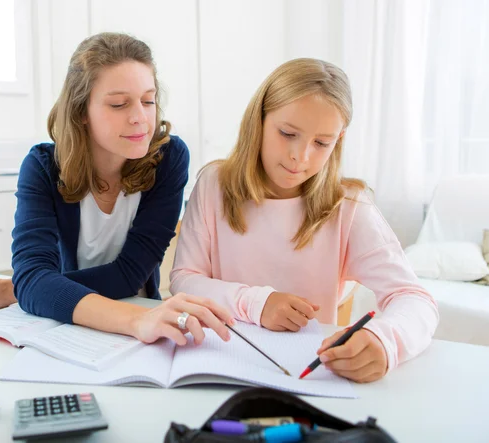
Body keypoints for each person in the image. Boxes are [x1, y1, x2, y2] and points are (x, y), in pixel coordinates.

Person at [0, 33, 234, 346]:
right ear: (81, 111)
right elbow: (33, 277)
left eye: (148, 100)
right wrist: (32, 286)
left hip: (139, 321)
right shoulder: (43, 167)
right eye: (118, 104)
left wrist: (15, 290)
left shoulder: (169, 158)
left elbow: (128, 275)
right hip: (72, 327)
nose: (140, 117)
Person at [169, 58, 439, 382]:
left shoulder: (348, 206)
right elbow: (184, 279)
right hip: (220, 359)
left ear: (338, 140)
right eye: (287, 133)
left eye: (321, 143)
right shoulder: (214, 184)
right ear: (259, 121)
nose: (301, 156)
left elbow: (415, 299)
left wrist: (386, 341)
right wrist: (257, 302)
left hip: (308, 376)